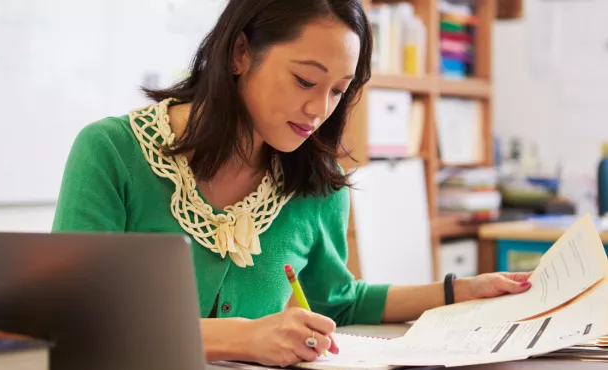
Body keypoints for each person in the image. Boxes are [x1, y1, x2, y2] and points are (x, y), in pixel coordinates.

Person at [51, 0, 532, 367]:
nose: (320, 110)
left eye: (338, 91)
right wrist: (242, 338)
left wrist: (458, 293)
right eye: (305, 81)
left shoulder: (319, 183)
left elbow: (336, 301)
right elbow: (77, 319)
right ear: (241, 53)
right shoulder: (112, 152)